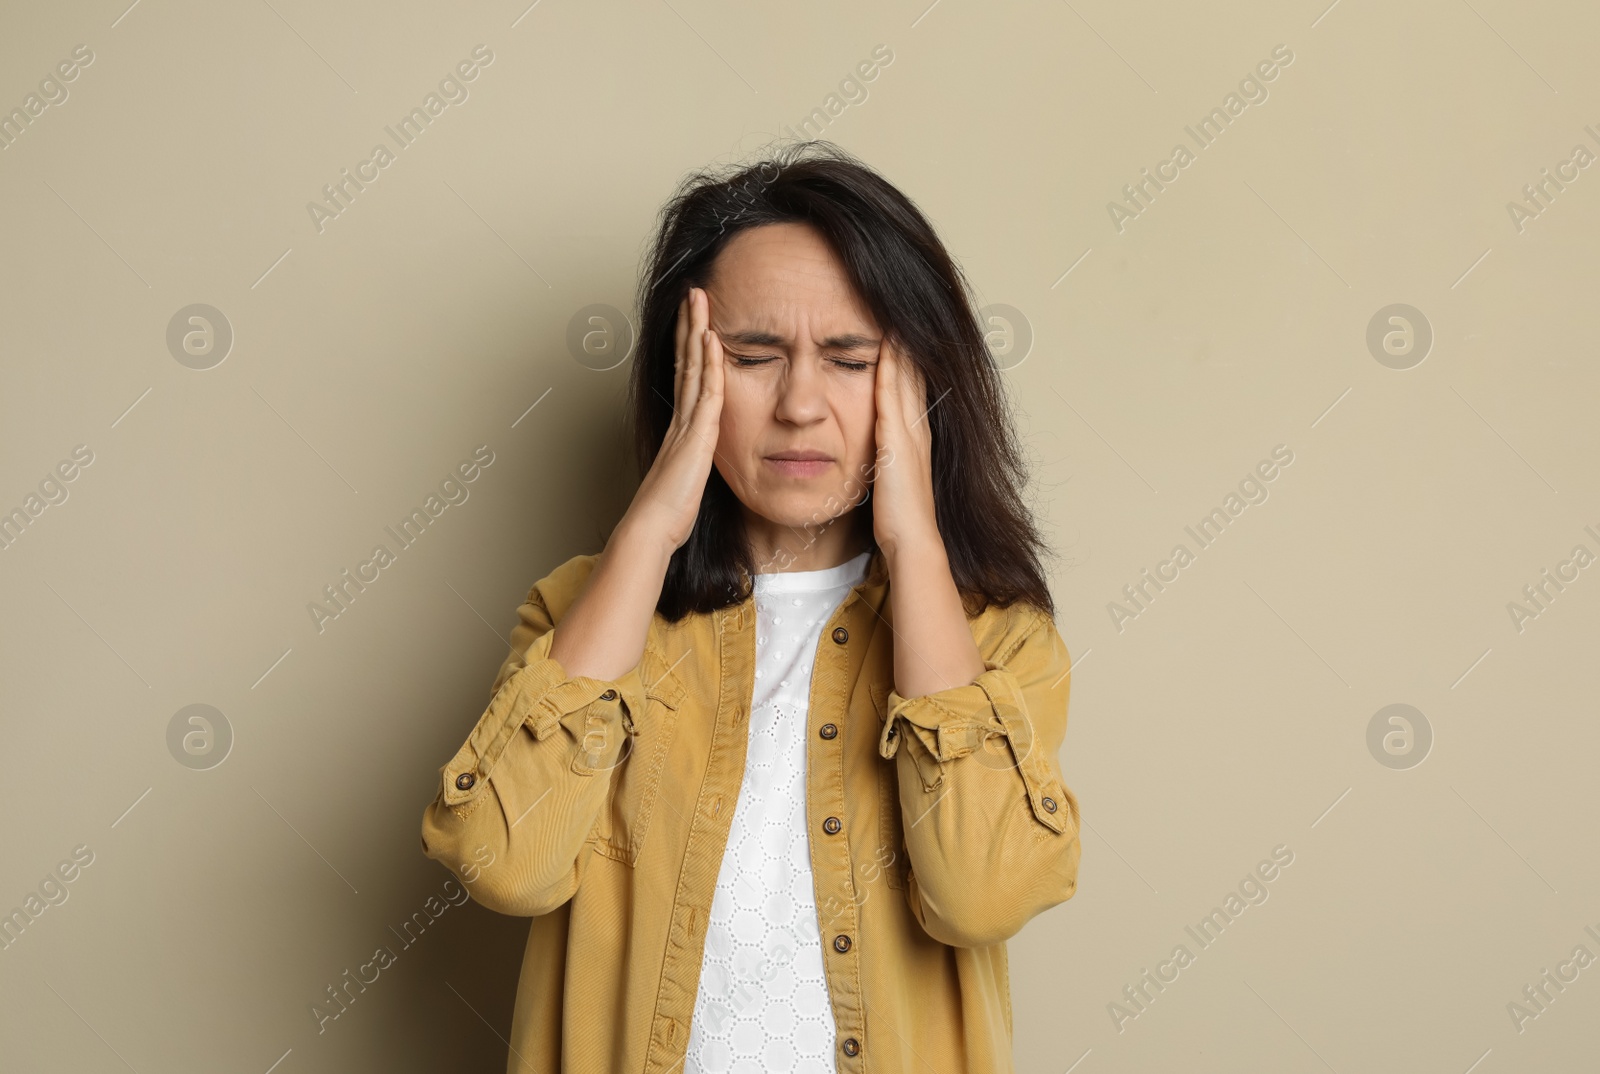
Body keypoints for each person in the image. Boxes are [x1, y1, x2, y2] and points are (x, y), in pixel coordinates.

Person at [420, 140, 1082, 1074]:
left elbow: (982, 893)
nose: (801, 404)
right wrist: (650, 530)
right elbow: (504, 862)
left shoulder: (996, 639)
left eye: (851, 360)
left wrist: (916, 546)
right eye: (753, 356)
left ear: (923, 385)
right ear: (688, 369)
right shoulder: (584, 611)